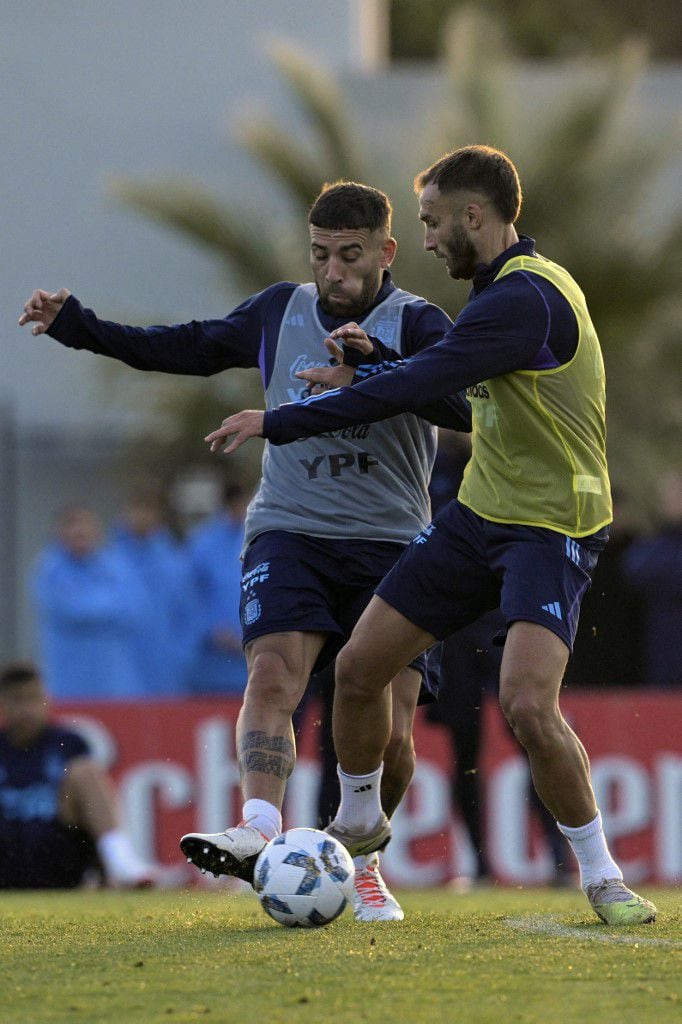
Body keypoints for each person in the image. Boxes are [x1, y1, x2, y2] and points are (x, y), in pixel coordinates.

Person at [206, 146, 656, 926]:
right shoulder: (494, 296)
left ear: (474, 216)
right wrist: (377, 363)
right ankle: (356, 829)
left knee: (524, 704)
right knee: (357, 667)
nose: (428, 239)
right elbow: (440, 381)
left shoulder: (523, 300)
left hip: (552, 527)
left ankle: (602, 873)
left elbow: (426, 384)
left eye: (433, 222)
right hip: (480, 516)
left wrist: (280, 419)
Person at [19, 181, 471, 922]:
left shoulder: (418, 322)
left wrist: (378, 363)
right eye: (321, 255)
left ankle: (362, 858)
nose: (333, 272)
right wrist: (79, 325)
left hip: (390, 541)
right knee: (270, 673)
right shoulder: (279, 311)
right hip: (290, 528)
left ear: (387, 252)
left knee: (391, 728)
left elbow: (463, 407)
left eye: (351, 256)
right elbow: (185, 346)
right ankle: (259, 825)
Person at [0, 661, 153, 888]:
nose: (26, 710)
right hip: (7, 862)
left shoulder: (68, 743)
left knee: (86, 771)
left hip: (59, 859)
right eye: (17, 700)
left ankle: (121, 862)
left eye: (33, 699)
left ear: (46, 700)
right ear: (3, 704)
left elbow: (82, 809)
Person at [31, 505, 145, 699]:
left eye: (86, 525)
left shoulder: (118, 565)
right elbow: (71, 611)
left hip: (115, 682)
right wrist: (110, 604)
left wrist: (90, 601)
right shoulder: (49, 569)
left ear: (97, 530)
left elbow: (135, 610)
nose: (80, 531)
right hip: (67, 682)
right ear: (58, 532)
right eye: (71, 525)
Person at [111, 485, 197, 697]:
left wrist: (181, 656)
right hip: (122, 665)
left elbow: (191, 613)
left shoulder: (175, 562)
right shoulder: (109, 559)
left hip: (167, 667)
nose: (141, 517)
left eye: (148, 510)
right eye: (136, 509)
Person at [186, 478, 250, 695]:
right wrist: (213, 628)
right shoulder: (203, 542)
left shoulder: (262, 537)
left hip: (253, 652)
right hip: (212, 659)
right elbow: (189, 595)